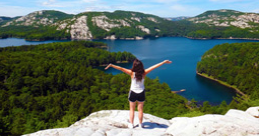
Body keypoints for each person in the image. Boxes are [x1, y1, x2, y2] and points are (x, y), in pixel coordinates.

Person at [105, 59, 172, 128]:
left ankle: (131, 124)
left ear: (134, 66)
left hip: (133, 92)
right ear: (141, 66)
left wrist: (111, 65)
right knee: (140, 110)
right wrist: (163, 62)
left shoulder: (131, 73)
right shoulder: (144, 73)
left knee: (132, 109)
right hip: (141, 93)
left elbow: (121, 68)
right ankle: (140, 124)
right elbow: (154, 67)